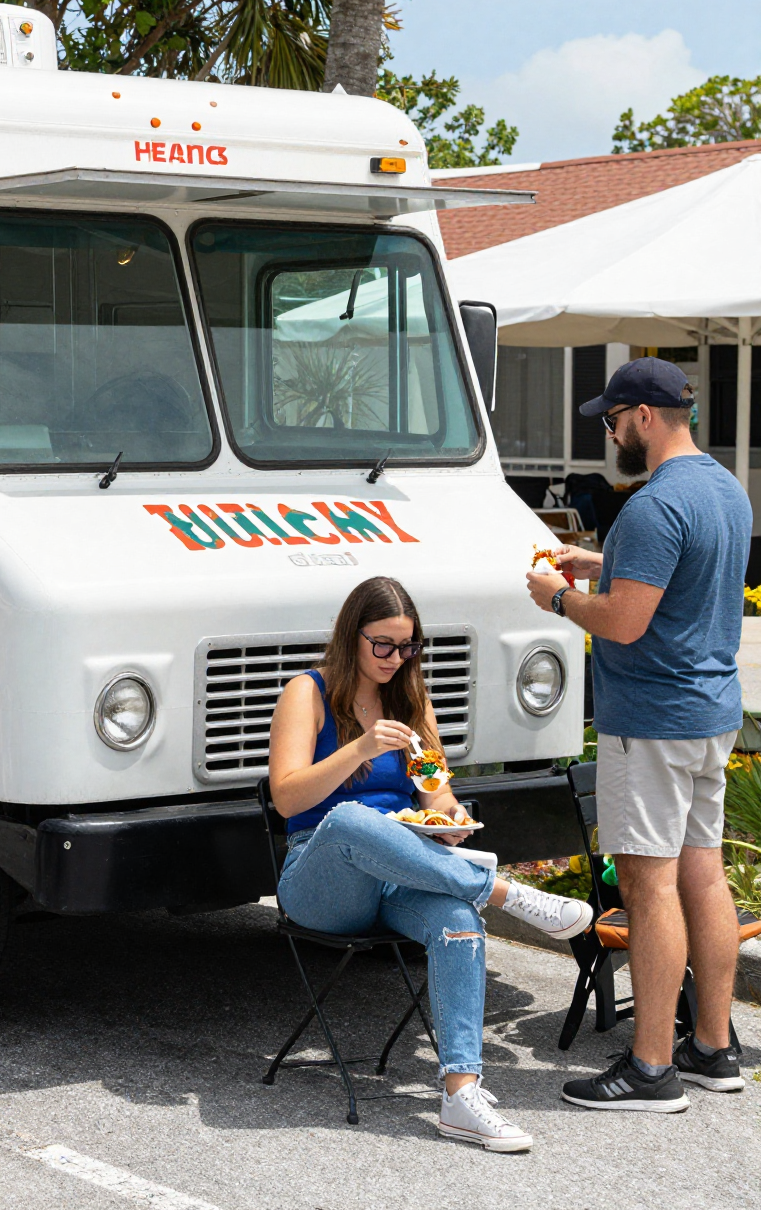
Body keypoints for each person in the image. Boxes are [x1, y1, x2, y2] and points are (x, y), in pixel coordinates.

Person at [268, 576, 594, 1152]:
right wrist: (361, 747)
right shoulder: (307, 692)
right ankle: (504, 892)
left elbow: (435, 795)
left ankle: (460, 1094)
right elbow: (289, 800)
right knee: (347, 819)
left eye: (408, 646)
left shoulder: (411, 700)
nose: (397, 658)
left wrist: (452, 818)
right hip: (320, 876)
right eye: (384, 645)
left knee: (456, 921)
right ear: (352, 637)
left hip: (400, 867)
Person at [528, 356, 751, 1109]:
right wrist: (602, 560)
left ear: (645, 418)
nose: (609, 430)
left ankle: (651, 1066)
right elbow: (689, 574)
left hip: (650, 722)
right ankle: (715, 1049)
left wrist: (560, 598)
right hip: (710, 711)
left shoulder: (653, 506)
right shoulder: (724, 489)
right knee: (703, 876)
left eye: (613, 418)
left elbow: (625, 620)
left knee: (650, 889)